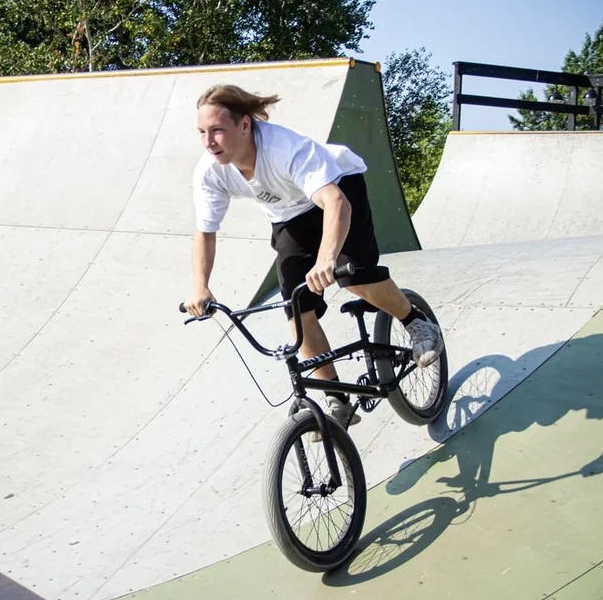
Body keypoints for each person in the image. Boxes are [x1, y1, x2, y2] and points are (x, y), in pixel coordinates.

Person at [182, 84, 444, 429]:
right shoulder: (210, 171)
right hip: (289, 216)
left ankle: (416, 322)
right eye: (202, 132)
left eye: (217, 130)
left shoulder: (283, 148)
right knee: (296, 307)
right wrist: (200, 286)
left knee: (354, 277)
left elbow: (336, 203)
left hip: (339, 188)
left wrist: (326, 259)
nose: (209, 141)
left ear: (244, 125)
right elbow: (205, 232)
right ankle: (337, 399)